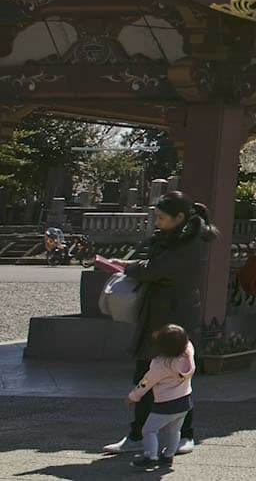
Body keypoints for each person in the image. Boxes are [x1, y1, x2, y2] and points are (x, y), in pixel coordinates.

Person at [104, 191, 215, 456]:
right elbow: (155, 265)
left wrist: (129, 268)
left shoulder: (191, 242)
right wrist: (131, 264)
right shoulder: (175, 238)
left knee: (176, 376)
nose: (157, 222)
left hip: (176, 318)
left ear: (179, 217)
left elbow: (157, 269)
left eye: (162, 218)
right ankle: (139, 434)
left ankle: (182, 434)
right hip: (160, 314)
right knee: (149, 374)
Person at [126, 324, 193, 470]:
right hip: (185, 401)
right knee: (174, 430)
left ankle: (151, 456)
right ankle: (168, 455)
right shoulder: (188, 352)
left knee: (149, 430)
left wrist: (133, 396)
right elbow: (186, 342)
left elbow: (145, 382)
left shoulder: (160, 364)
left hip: (165, 405)